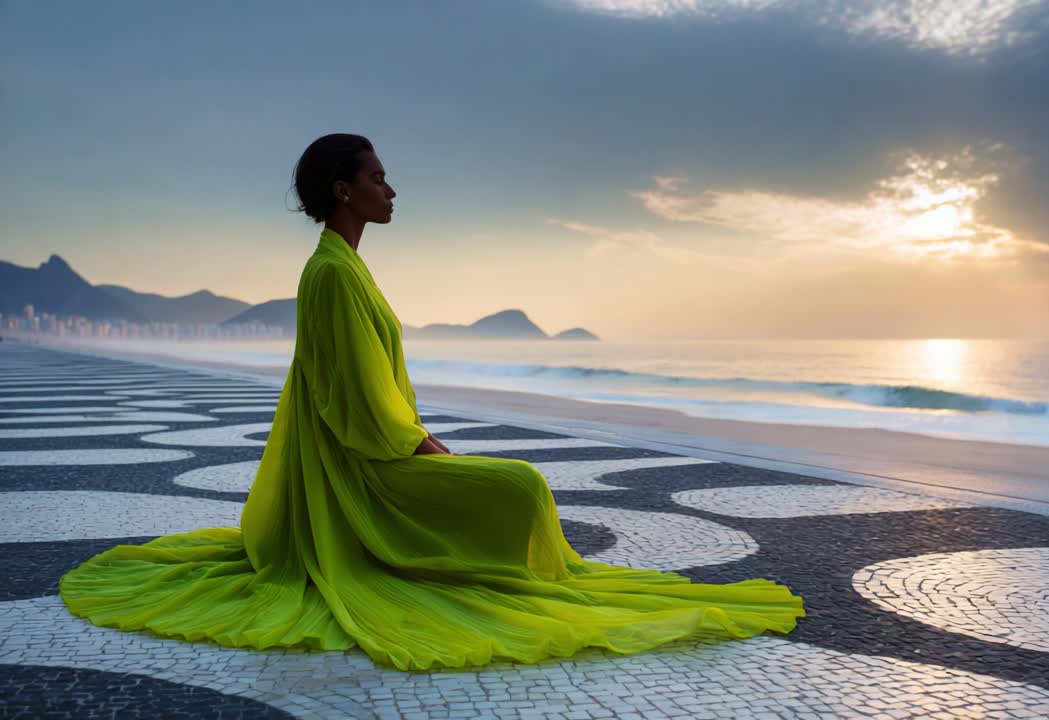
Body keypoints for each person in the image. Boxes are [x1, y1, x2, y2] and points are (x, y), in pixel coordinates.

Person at [58, 133, 806, 672]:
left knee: (513, 485)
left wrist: (418, 435)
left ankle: (456, 561)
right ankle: (437, 567)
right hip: (363, 467)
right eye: (378, 177)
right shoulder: (330, 274)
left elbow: (362, 381)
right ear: (343, 190)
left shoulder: (345, 267)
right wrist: (418, 443)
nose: (391, 189)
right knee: (523, 482)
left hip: (381, 446)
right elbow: (350, 394)